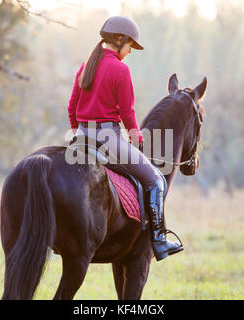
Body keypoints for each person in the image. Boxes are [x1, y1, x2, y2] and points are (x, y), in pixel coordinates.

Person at [66, 16, 183, 261]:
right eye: (130, 45)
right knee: (156, 180)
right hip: (109, 140)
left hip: (81, 139)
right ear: (119, 40)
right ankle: (159, 241)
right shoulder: (120, 69)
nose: (130, 51)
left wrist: (79, 134)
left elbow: (72, 107)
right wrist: (137, 139)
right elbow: (128, 113)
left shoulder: (85, 66)